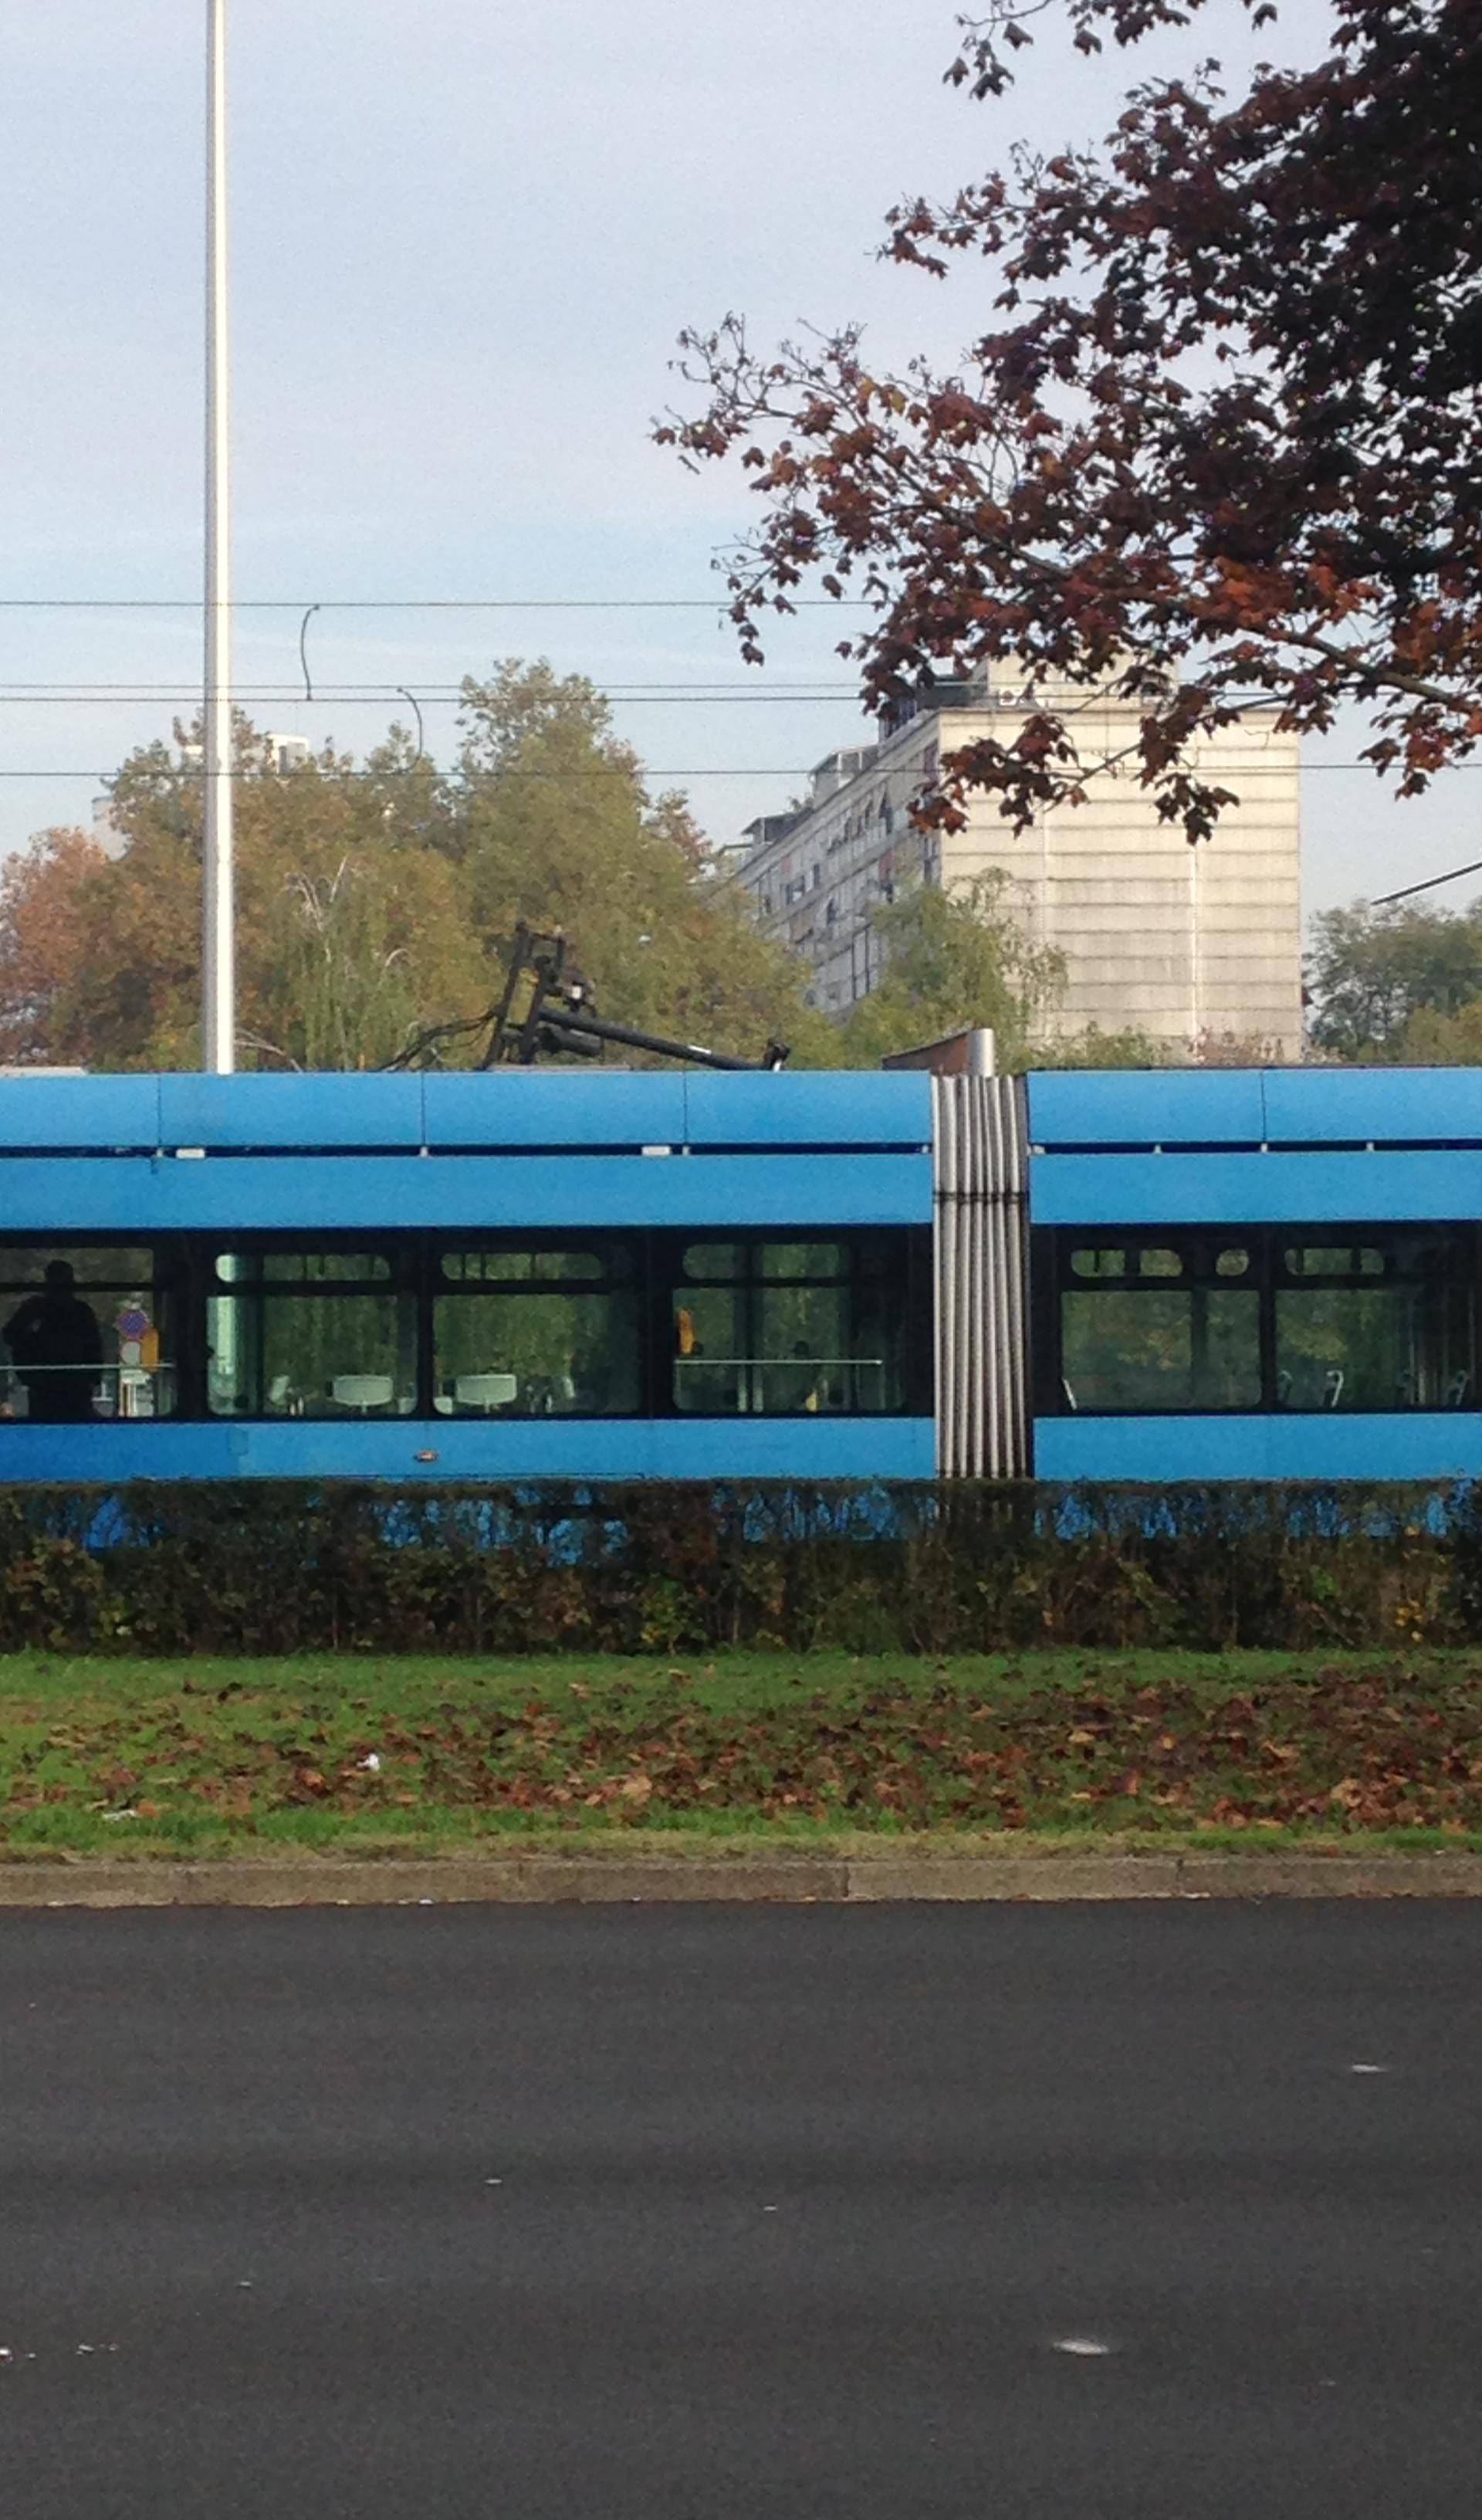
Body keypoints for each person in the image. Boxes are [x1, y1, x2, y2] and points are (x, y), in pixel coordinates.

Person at [4, 1262, 104, 1423]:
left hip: (75, 1386)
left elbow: (94, 1347)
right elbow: (10, 1334)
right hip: (44, 1385)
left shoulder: (81, 1312)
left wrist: (93, 1376)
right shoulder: (35, 1308)